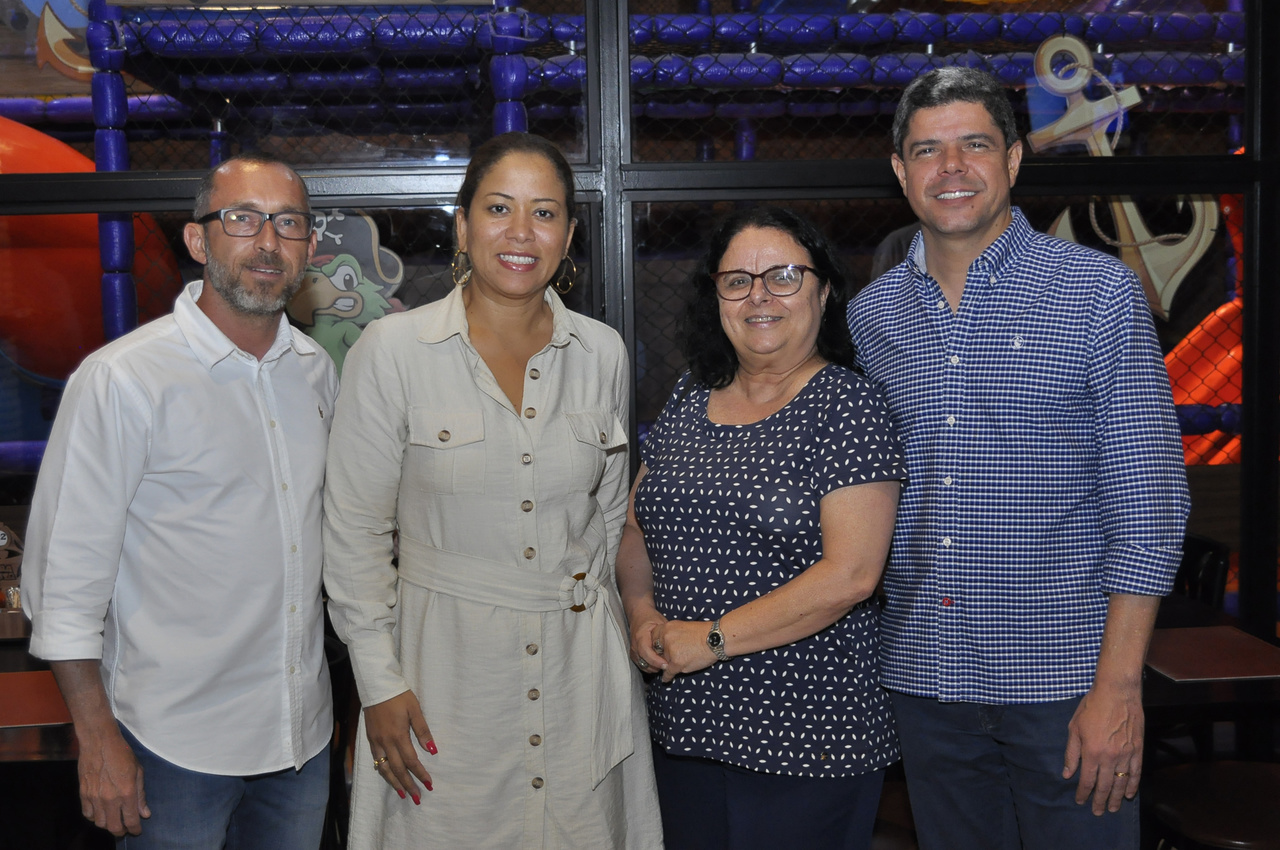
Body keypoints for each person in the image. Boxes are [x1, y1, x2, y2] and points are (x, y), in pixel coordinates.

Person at [846, 67, 1190, 850]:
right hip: (926, 681)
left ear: (1015, 159)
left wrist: (1119, 687)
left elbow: (1150, 503)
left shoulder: (1097, 292)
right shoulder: (873, 317)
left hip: (1069, 687)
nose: (952, 168)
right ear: (901, 173)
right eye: (928, 151)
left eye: (974, 144)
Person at [322, 132, 662, 849]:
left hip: (580, 678)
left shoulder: (602, 352)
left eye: (544, 214)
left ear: (569, 234)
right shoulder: (393, 352)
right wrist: (378, 684)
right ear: (463, 223)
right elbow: (353, 532)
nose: (520, 233)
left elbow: (603, 519)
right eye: (499, 208)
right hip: (444, 678)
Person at [21, 153, 336, 848]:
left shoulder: (316, 373)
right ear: (198, 241)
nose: (266, 242)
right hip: (171, 747)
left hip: (300, 739)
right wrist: (97, 738)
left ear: (309, 248)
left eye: (288, 224)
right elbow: (63, 585)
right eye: (241, 219)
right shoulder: (124, 380)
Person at [618, 206, 905, 849]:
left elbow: (853, 574)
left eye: (783, 275)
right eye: (737, 280)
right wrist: (640, 614)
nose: (759, 297)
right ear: (715, 296)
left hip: (806, 736)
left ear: (824, 290)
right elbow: (637, 529)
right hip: (684, 723)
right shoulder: (691, 395)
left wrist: (712, 640)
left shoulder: (848, 405)